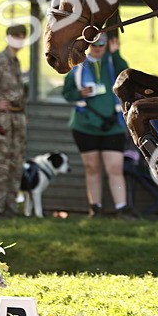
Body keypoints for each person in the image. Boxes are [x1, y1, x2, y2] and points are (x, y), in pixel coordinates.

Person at [63, 32, 133, 218]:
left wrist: (115, 52)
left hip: (113, 125)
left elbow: (126, 75)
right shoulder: (78, 65)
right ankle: (95, 208)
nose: (97, 47)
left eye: (101, 42)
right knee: (92, 168)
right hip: (84, 125)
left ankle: (121, 209)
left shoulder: (113, 61)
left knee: (115, 168)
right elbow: (67, 93)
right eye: (93, 43)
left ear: (107, 44)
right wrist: (80, 94)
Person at [0, 24, 29, 217]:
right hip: (1, 120)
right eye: (15, 35)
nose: (19, 39)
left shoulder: (15, 62)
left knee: (14, 162)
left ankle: (9, 205)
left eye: (22, 36)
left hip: (16, 117)